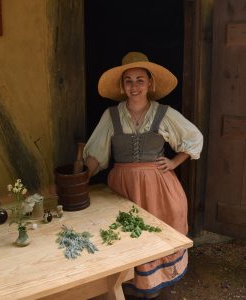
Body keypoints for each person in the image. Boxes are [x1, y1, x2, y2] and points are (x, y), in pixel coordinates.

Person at [83, 52, 203, 299]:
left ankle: (153, 284)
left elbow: (194, 137)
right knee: (126, 235)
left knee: (155, 235)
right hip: (123, 189)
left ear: (150, 84)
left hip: (158, 188)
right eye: (128, 80)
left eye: (140, 80)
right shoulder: (111, 116)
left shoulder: (164, 113)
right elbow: (96, 153)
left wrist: (174, 162)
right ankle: (127, 284)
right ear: (122, 86)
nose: (134, 86)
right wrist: (80, 179)